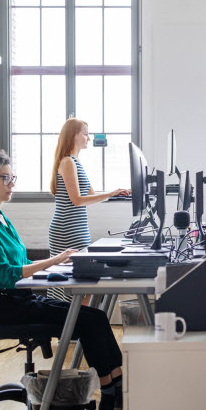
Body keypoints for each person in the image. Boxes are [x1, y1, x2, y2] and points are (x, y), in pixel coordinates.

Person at [0, 150, 124, 410]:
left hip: (21, 300)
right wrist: (53, 261)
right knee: (90, 321)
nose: (12, 183)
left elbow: (22, 260)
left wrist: (61, 264)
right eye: (6, 178)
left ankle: (116, 389)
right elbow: (3, 275)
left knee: (95, 316)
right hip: (7, 307)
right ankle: (113, 394)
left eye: (12, 177)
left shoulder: (0, 218)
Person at [48, 118, 129, 302]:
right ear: (74, 135)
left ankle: (77, 325)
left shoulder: (76, 162)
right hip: (67, 230)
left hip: (77, 228)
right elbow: (77, 200)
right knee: (76, 282)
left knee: (82, 282)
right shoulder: (68, 162)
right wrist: (111, 193)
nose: (89, 138)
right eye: (85, 133)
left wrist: (117, 194)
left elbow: (90, 195)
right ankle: (70, 325)